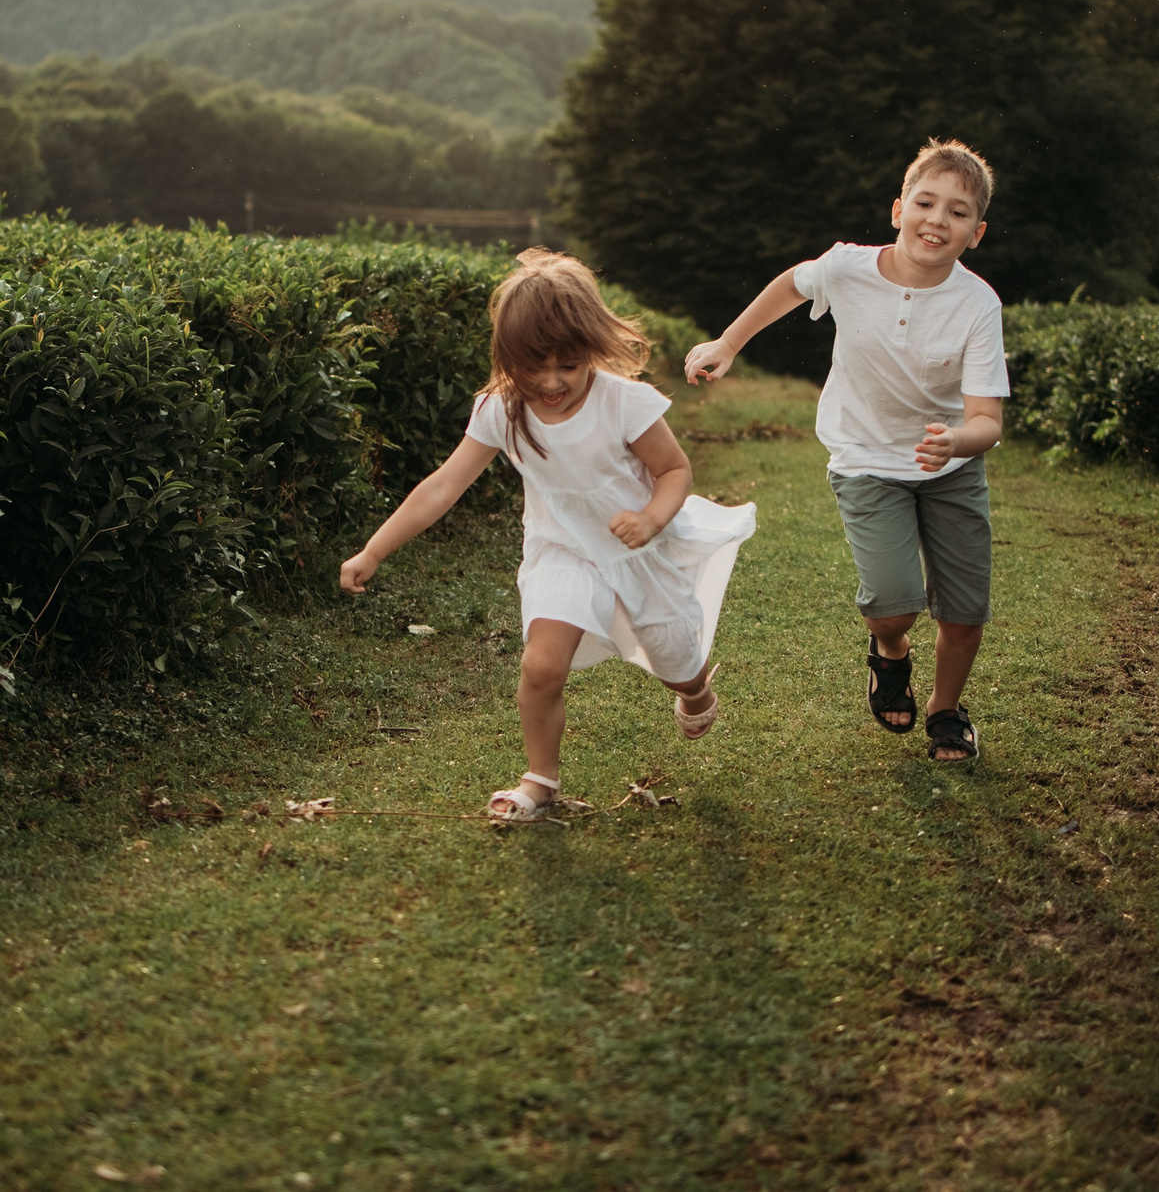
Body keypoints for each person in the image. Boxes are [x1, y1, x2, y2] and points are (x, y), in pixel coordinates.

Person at [340, 249, 757, 821]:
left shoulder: (623, 402)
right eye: (535, 365)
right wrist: (374, 549)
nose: (552, 381)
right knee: (540, 666)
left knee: (674, 662)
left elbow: (675, 471)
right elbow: (443, 486)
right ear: (509, 357)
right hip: (563, 550)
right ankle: (540, 781)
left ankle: (693, 689)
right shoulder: (501, 409)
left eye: (569, 364)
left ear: (592, 349)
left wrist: (651, 519)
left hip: (641, 551)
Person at [682, 138, 1007, 764]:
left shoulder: (977, 305)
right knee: (893, 606)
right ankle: (890, 654)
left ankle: (945, 712)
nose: (938, 220)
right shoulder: (848, 267)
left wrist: (957, 442)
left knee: (964, 613)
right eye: (926, 202)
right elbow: (790, 285)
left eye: (958, 212)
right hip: (864, 460)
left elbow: (986, 420)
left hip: (950, 469)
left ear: (977, 232)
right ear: (897, 209)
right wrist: (728, 343)